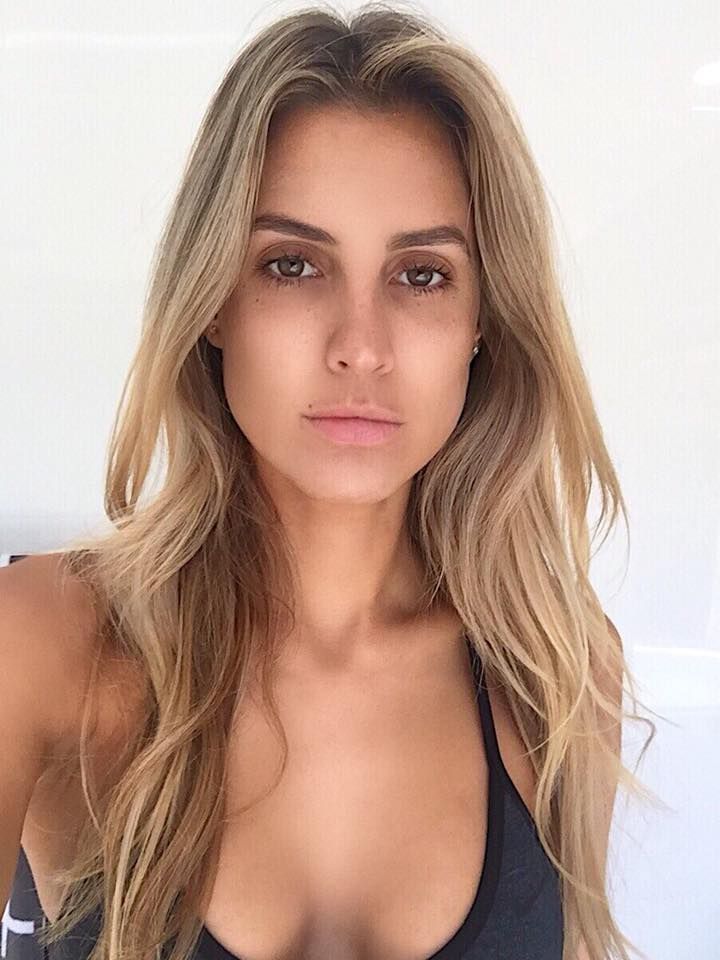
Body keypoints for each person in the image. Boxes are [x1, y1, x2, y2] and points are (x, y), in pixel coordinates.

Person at [0, 4, 659, 960]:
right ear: (213, 299)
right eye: (293, 264)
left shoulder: (560, 673)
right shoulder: (44, 642)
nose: (360, 346)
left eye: (422, 275)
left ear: (482, 322)